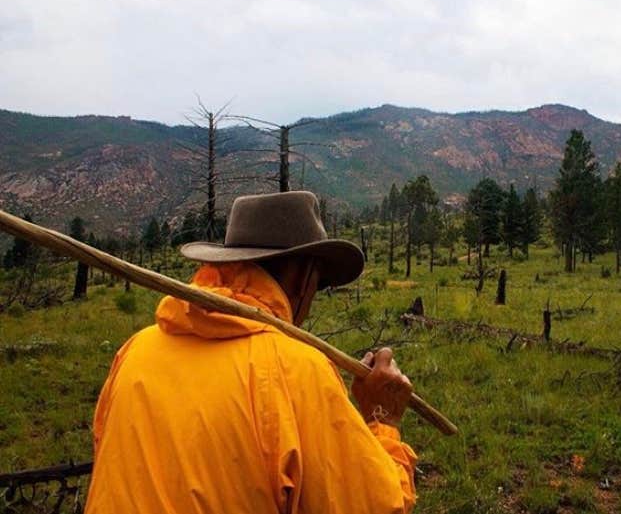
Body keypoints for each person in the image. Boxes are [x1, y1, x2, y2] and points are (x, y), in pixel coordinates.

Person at [85, 191, 417, 513]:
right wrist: (382, 417)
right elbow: (377, 505)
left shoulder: (135, 350)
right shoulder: (297, 372)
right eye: (320, 283)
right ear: (303, 277)